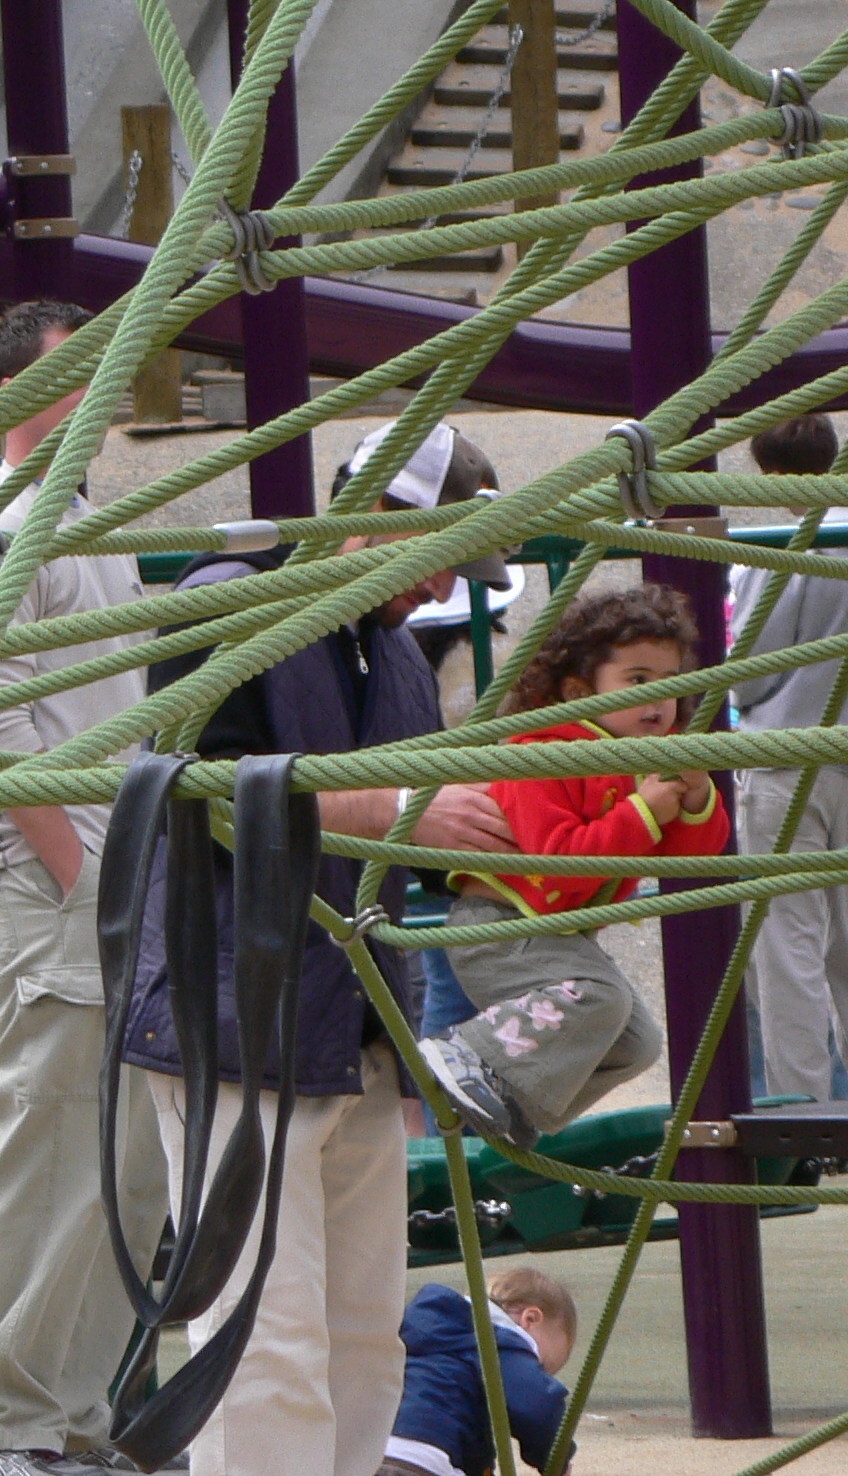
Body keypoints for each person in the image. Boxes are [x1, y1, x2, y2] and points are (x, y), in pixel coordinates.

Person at [126, 421, 513, 1476]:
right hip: (238, 1023)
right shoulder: (231, 603)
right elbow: (204, 794)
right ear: (380, 512)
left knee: (361, 1333)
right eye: (442, 557)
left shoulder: (394, 656)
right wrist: (401, 810)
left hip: (353, 1025)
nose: (441, 590)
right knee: (266, 1331)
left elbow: (397, 833)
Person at [0, 300, 168, 1476]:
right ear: (21, 390)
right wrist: (76, 874)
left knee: (127, 1163)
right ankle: (3, 1422)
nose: (108, 390)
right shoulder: (1, 525)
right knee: (54, 1143)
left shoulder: (90, 523)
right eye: (84, 371)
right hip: (50, 876)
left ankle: (74, 1414)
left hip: (114, 872)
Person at [411, 584, 724, 1147]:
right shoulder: (540, 753)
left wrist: (697, 798)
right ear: (579, 690)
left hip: (558, 937)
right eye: (637, 681)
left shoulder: (644, 757)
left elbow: (692, 861)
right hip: (501, 932)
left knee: (636, 1043)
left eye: (671, 683)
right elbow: (559, 869)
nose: (659, 701)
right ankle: (466, 1053)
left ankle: (515, 1112)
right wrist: (641, 813)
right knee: (601, 996)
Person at [729, 411, 848, 1100]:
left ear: (769, 474)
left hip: (785, 753)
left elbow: (747, 670)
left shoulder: (775, 548)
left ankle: (804, 1116)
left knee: (787, 949)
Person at [380, 1265, 574, 1476]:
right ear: (531, 1319)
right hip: (425, 1460)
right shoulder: (499, 1342)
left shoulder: (417, 1331)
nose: (532, 1369)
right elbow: (537, 1406)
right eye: (540, 1366)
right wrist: (558, 1461)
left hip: (370, 1447)